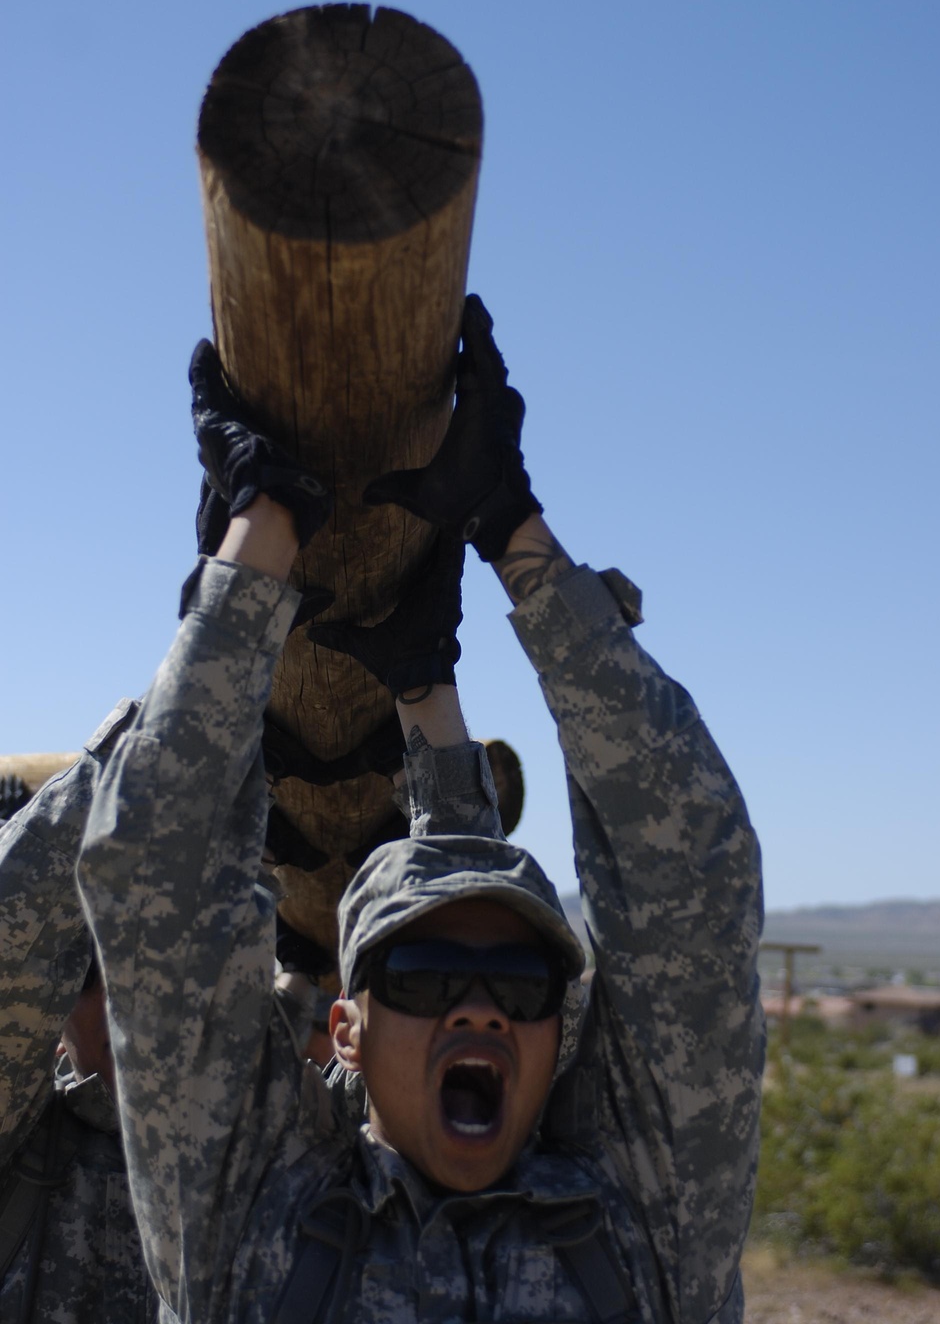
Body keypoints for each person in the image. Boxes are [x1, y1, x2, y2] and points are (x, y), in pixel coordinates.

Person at [77, 299, 765, 1323]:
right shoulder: (260, 1228)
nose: (479, 1008)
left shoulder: (643, 1224)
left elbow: (691, 874)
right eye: (428, 974)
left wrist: (509, 525)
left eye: (523, 983)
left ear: (559, 1031)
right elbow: (151, 886)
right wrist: (253, 542)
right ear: (345, 1031)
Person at [0, 700, 162, 1321]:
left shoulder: (274, 1161)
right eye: (96, 968)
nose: (130, 1000)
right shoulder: (26, 1151)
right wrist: (164, 722)